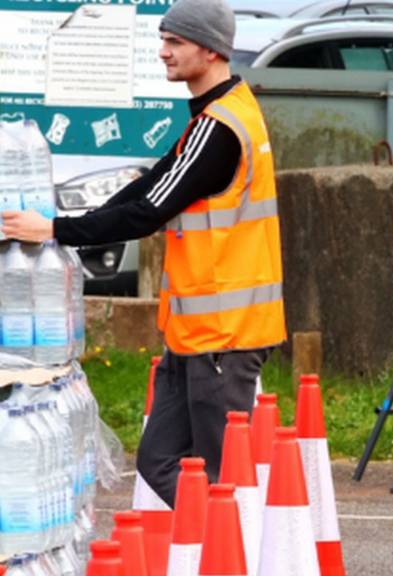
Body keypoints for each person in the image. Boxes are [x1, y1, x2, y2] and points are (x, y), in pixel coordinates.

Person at [2, 0, 286, 507]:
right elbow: (151, 183)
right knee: (159, 462)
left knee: (223, 480)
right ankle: (220, 548)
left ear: (211, 50)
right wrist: (65, 230)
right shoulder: (215, 117)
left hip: (224, 337)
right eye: (163, 40)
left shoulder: (219, 128)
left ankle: (239, 552)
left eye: (175, 42)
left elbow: (148, 212)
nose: (163, 52)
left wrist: (54, 230)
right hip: (196, 335)